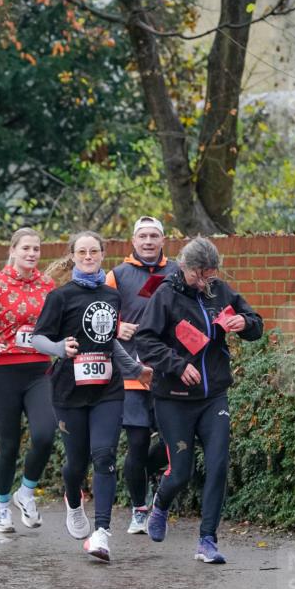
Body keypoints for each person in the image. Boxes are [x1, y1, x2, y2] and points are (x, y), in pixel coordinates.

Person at [135, 236, 263, 564]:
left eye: (211, 274)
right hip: (173, 398)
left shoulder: (221, 291)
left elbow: (256, 325)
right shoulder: (165, 295)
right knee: (181, 473)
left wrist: (244, 323)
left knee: (218, 465)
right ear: (184, 268)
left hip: (213, 396)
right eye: (199, 276)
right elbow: (145, 341)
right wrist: (178, 366)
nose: (205, 281)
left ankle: (207, 540)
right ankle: (160, 505)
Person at [31, 231, 152, 563]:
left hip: (108, 390)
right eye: (82, 252)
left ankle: (101, 534)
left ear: (102, 254)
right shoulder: (60, 297)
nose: (88, 256)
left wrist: (135, 369)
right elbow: (37, 338)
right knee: (75, 464)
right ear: (73, 256)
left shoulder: (111, 296)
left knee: (104, 456)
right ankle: (73, 499)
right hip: (69, 391)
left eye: (94, 251)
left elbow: (108, 340)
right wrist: (60, 348)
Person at [0, 227, 57, 534]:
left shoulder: (47, 285)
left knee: (45, 433)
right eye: (26, 248)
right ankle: (2, 508)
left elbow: (58, 323)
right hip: (1, 373)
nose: (32, 254)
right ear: (13, 250)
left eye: (36, 249)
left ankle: (26, 493)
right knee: (9, 445)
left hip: (38, 371)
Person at [105, 215, 178, 535]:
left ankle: (152, 478)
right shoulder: (117, 275)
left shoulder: (177, 271)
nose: (148, 242)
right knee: (135, 444)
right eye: (142, 236)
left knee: (171, 442)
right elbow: (96, 315)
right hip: (132, 374)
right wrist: (117, 327)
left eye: (154, 236)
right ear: (133, 242)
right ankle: (139, 510)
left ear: (164, 240)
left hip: (169, 372)